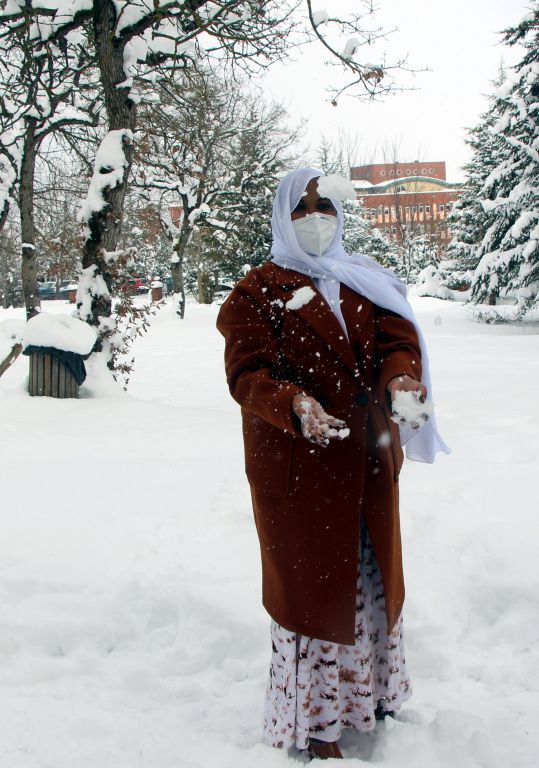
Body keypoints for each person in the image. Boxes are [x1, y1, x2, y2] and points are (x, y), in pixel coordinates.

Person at [216, 168, 449, 760]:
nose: (316, 218)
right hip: (301, 470)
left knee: (369, 581)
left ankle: (371, 699)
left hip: (367, 462)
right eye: (302, 208)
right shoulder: (258, 290)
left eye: (324, 206)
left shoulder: (364, 280)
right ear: (281, 217)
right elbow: (247, 373)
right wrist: (292, 403)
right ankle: (315, 726)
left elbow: (400, 339)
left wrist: (401, 379)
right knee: (315, 596)